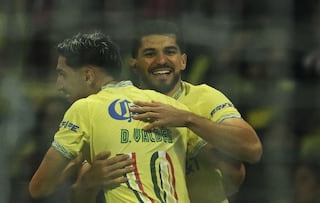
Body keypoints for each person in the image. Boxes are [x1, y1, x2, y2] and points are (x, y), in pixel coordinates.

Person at [71, 20, 262, 203]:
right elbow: (79, 192)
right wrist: (88, 182)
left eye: (170, 52)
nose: (161, 60)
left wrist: (187, 119)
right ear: (133, 63)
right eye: (150, 53)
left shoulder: (205, 97)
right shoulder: (115, 109)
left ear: (183, 61)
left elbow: (252, 151)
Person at [28, 31, 208, 203]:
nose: (59, 85)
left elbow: (38, 187)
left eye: (62, 74)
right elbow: (231, 171)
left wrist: (87, 180)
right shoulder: (173, 107)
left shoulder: (85, 109)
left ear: (88, 76)